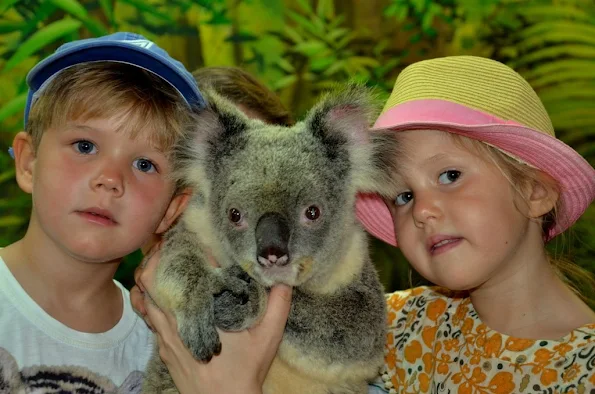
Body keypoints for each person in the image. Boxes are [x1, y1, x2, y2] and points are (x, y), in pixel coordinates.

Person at [0, 32, 290, 393]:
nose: (110, 179)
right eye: (85, 145)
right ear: (29, 162)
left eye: (144, 164)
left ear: (173, 207)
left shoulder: (162, 347)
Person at [355, 56, 595, 393]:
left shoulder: (584, 369)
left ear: (534, 191)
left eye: (450, 176)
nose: (422, 211)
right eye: (403, 197)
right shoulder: (392, 326)